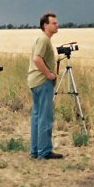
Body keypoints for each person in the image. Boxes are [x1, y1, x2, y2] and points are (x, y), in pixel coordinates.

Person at [27, 12, 63, 159]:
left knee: (37, 116)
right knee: (45, 117)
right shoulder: (44, 40)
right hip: (42, 82)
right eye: (53, 23)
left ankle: (35, 150)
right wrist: (49, 74)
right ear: (45, 25)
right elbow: (37, 59)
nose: (57, 25)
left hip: (34, 81)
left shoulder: (41, 39)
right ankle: (44, 151)